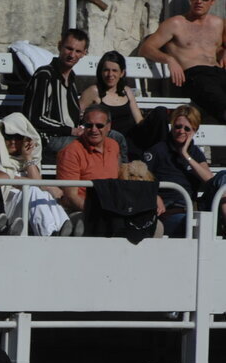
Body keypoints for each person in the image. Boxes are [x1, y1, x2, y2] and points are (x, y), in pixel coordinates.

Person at [139, 0, 226, 125]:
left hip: (219, 73)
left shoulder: (218, 23)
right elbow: (146, 48)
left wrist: (224, 51)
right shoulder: (175, 24)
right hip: (195, 75)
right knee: (221, 103)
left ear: (212, 2)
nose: (199, 1)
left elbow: (218, 47)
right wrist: (169, 59)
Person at [144, 104, 226, 237]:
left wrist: (185, 155)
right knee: (192, 223)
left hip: (193, 209)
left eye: (187, 128)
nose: (181, 131)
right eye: (178, 126)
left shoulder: (194, 152)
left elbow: (210, 180)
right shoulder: (158, 150)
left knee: (223, 176)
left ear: (194, 131)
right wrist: (155, 195)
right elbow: (142, 180)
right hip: (169, 211)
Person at [0, 112, 68, 237]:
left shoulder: (29, 158)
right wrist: (48, 187)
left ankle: (62, 229)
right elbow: (7, 178)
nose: (12, 142)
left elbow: (38, 183)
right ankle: (49, 233)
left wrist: (28, 157)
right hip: (5, 206)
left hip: (26, 206)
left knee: (42, 194)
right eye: (8, 137)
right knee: (34, 191)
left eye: (17, 137)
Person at [22, 28, 88, 156]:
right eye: (69, 48)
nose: (72, 55)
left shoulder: (72, 79)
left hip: (69, 137)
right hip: (47, 139)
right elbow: (36, 118)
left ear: (83, 54)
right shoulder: (45, 75)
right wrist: (70, 130)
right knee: (93, 144)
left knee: (114, 138)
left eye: (78, 51)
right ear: (59, 46)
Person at [56, 105, 121, 224]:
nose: (94, 130)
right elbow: (71, 197)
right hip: (81, 211)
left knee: (155, 226)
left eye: (99, 125)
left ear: (108, 126)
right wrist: (100, 211)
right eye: (89, 125)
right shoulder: (70, 152)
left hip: (112, 209)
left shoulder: (114, 145)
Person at [78, 50, 141, 160]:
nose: (110, 75)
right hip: (107, 140)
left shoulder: (127, 91)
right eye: (106, 70)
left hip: (129, 141)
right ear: (101, 72)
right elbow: (76, 116)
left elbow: (139, 120)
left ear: (122, 73)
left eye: (114, 70)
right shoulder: (93, 91)